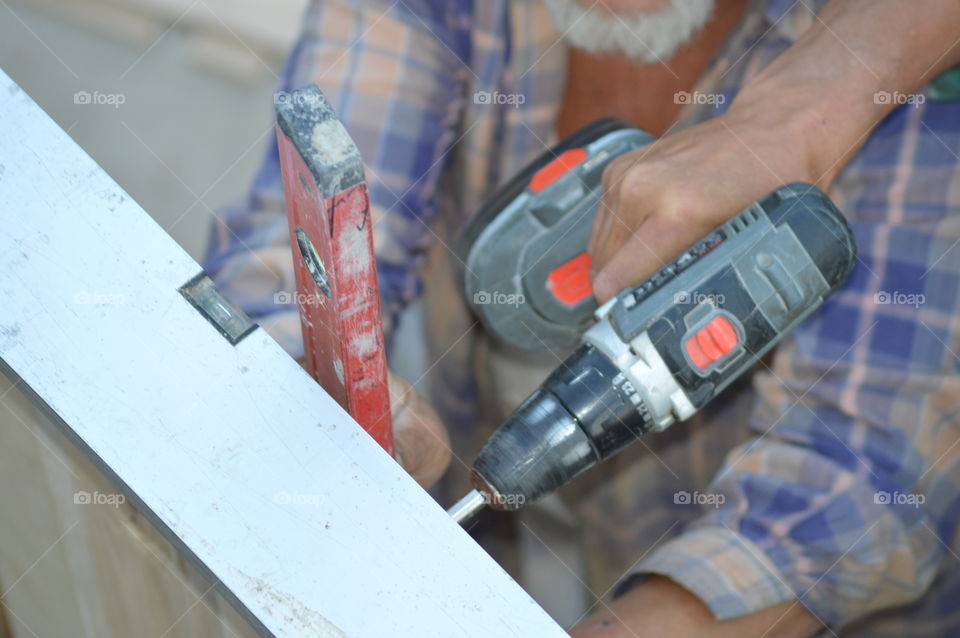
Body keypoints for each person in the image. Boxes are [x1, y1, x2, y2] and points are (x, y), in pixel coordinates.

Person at [205, 1, 960, 635]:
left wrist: (799, 115)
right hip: (517, 549)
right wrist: (328, 397)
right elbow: (289, 258)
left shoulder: (912, 85)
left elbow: (852, 485)